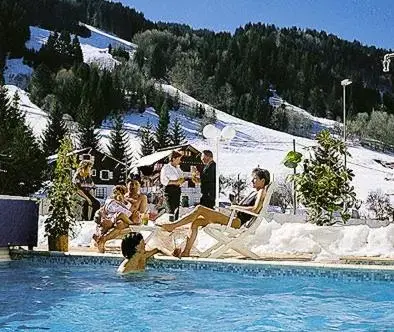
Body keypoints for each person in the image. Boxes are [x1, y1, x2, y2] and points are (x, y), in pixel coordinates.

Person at [160, 168, 270, 257]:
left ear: (263, 181)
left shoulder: (261, 191)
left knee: (200, 209)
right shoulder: (255, 192)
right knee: (197, 222)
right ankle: (186, 251)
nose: (252, 181)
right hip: (233, 218)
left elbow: (255, 209)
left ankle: (173, 226)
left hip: (236, 222)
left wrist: (236, 206)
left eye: (255, 179)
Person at [93, 185, 139, 253]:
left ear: (123, 194)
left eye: (119, 193)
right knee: (116, 223)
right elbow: (101, 211)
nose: (116, 195)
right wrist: (100, 215)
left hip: (124, 221)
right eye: (115, 193)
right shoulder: (111, 202)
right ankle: (102, 240)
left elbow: (132, 213)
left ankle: (102, 239)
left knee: (120, 222)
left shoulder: (128, 204)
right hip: (113, 220)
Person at [160, 151, 185, 221]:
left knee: (176, 209)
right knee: (170, 209)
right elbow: (163, 181)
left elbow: (182, 177)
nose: (180, 161)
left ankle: (175, 224)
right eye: (179, 159)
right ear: (173, 159)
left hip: (177, 190)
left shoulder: (178, 168)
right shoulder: (166, 168)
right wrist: (175, 182)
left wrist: (181, 181)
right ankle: (170, 224)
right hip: (169, 190)